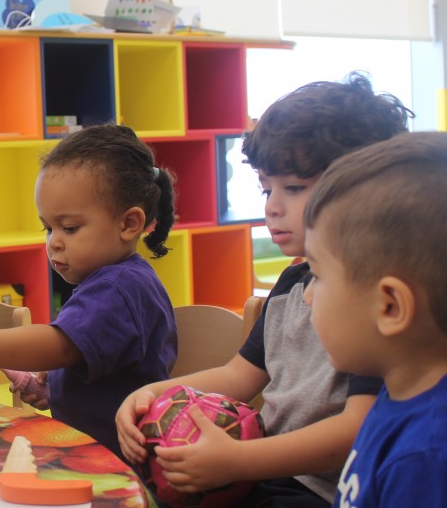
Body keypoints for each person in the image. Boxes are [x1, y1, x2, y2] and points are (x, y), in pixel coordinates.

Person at [116, 71, 412, 507]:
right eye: (266, 188)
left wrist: (241, 460)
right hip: (256, 474)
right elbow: (238, 375)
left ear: (364, 191)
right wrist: (151, 394)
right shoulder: (293, 282)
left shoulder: (367, 302)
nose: (272, 206)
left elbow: (357, 428)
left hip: (323, 491)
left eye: (293, 188)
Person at [0, 123, 178, 460]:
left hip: (117, 466)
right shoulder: (115, 280)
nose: (54, 242)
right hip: (92, 453)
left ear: (129, 224)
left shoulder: (118, 288)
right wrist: (55, 386)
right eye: (48, 228)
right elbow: (91, 362)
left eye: (70, 228)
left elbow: (58, 347)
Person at [302, 132, 446, 507]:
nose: (307, 295)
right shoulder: (402, 389)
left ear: (390, 308)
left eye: (316, 275)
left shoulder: (425, 457)